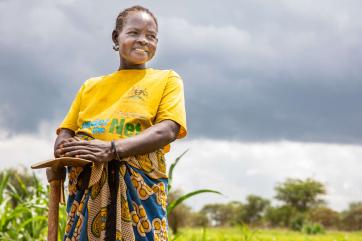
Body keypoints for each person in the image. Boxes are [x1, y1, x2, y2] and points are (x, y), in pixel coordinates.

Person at [54, 5, 187, 241]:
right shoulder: (90, 86)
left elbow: (168, 129)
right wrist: (64, 149)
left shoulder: (166, 79)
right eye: (134, 33)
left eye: (151, 36)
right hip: (87, 188)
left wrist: (111, 149)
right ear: (117, 37)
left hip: (140, 190)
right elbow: (65, 132)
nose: (143, 40)